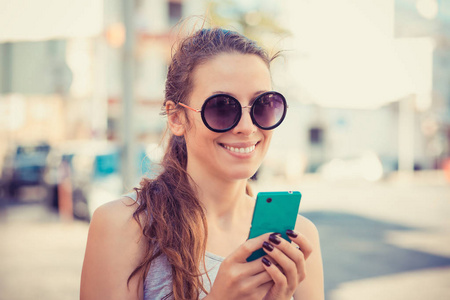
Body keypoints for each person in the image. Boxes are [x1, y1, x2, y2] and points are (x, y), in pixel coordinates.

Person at [80, 27, 324, 300]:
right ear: (176, 118)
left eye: (263, 105)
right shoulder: (124, 226)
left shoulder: (296, 237)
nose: (247, 126)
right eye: (222, 107)